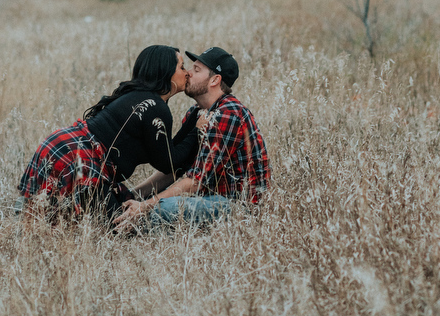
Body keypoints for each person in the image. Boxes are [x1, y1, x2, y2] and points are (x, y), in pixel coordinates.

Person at [16, 45, 203, 222]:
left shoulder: (139, 96)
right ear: (166, 72)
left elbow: (168, 151)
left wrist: (195, 116)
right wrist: (197, 130)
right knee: (117, 227)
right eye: (182, 67)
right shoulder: (157, 108)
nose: (187, 73)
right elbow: (168, 161)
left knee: (42, 216)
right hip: (80, 159)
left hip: (62, 145)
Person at [114, 47, 271, 231]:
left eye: (196, 70)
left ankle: (137, 226)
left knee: (166, 209)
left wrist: (145, 206)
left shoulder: (228, 114)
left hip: (237, 205)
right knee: (159, 205)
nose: (188, 73)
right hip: (207, 199)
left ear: (214, 80)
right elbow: (177, 168)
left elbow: (196, 181)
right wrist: (132, 195)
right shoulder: (196, 112)